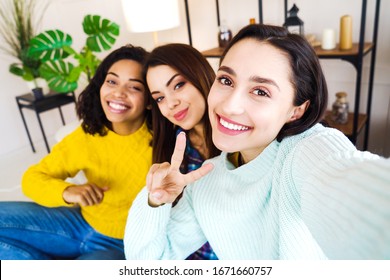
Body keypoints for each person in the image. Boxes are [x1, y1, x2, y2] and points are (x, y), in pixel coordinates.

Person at [124, 24, 390, 260]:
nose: (230, 105)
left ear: (296, 109)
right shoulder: (203, 182)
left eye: (260, 91)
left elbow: (357, 193)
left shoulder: (304, 152)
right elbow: (150, 262)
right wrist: (154, 202)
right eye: (226, 80)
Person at [0, 44, 153, 260]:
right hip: (79, 223)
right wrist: (68, 191)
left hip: (126, 244)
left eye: (135, 87)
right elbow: (31, 179)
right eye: (111, 81)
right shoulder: (87, 134)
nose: (118, 92)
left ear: (149, 100)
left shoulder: (162, 140)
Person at [142, 43, 220, 259]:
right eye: (159, 98)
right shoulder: (172, 148)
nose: (171, 103)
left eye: (178, 85)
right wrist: (155, 199)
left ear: (200, 75)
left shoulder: (241, 135)